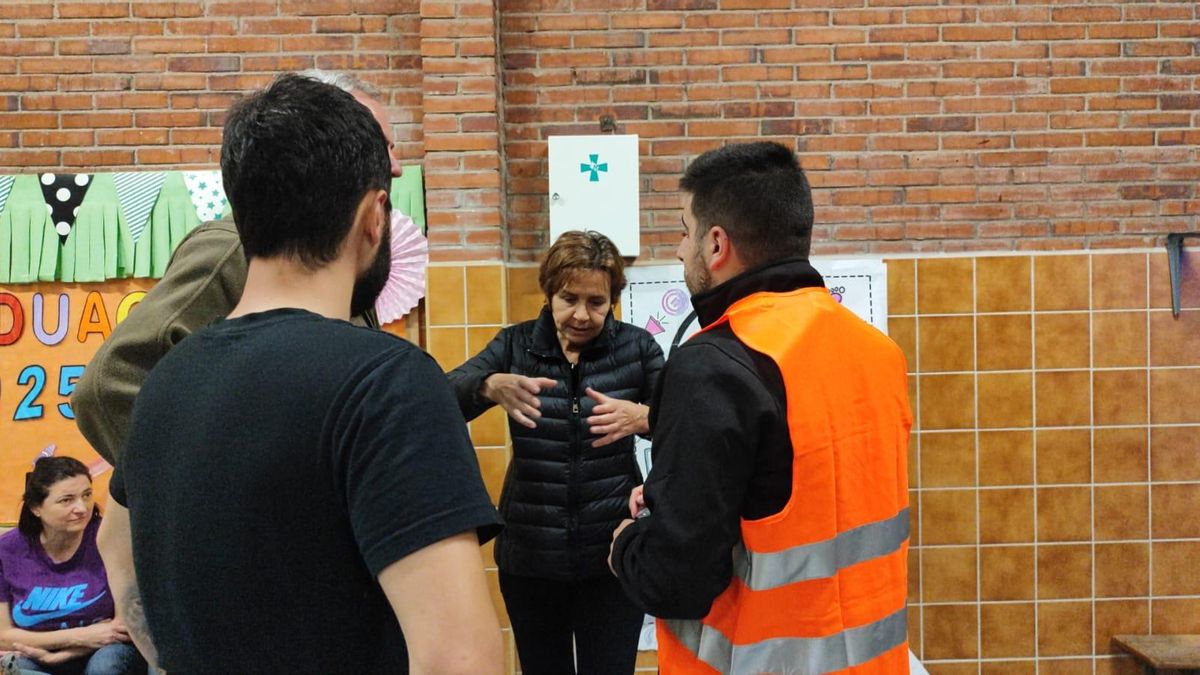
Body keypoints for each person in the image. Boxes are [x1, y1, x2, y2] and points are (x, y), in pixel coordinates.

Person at [95, 74, 503, 674]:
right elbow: (460, 659)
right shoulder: (387, 383)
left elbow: (117, 552)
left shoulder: (167, 381)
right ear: (373, 217)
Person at [608, 142, 912, 674]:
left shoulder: (714, 365)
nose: (680, 250)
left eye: (685, 231)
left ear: (717, 244)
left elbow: (675, 580)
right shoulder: (878, 352)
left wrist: (628, 543)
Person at [72, 69, 402, 466]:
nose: (395, 165)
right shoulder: (233, 248)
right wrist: (202, 483)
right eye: (379, 145)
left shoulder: (341, 254)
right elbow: (108, 384)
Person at [447, 230, 664, 675]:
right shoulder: (514, 346)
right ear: (549, 293)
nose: (582, 315)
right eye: (569, 298)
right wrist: (487, 385)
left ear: (613, 300)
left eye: (596, 302)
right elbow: (438, 398)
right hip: (530, 557)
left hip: (613, 555)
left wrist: (644, 417)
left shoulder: (638, 348)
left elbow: (688, 426)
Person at [0, 457, 147, 675]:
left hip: (103, 651)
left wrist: (59, 655)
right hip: (36, 654)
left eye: (86, 495)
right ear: (35, 508)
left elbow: (122, 627)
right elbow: (4, 635)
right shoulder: (7, 550)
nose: (82, 508)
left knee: (105, 666)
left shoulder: (109, 538)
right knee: (19, 668)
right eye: (67, 500)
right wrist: (83, 636)